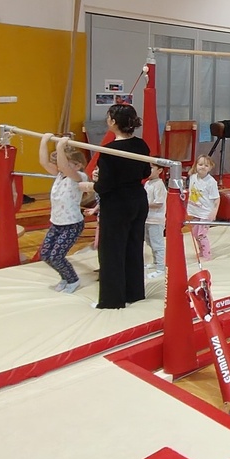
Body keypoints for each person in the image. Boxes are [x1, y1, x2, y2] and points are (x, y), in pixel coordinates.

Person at [93, 104, 152, 310]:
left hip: (117, 204)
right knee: (133, 247)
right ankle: (134, 293)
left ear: (113, 122)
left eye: (108, 117)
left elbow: (105, 186)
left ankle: (112, 300)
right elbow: (145, 172)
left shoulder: (108, 151)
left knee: (111, 251)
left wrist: (93, 183)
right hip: (137, 200)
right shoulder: (141, 144)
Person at [38, 133, 88, 294]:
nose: (60, 166)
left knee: (57, 256)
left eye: (65, 163)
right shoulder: (60, 175)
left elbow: (65, 167)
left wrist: (60, 146)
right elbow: (43, 162)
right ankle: (65, 277)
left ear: (78, 165)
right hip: (57, 223)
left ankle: (73, 280)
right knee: (45, 254)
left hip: (71, 224)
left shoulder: (79, 177)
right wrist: (44, 141)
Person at [187, 154, 220, 261]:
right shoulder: (193, 177)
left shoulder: (211, 182)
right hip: (195, 211)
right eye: (200, 164)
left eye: (206, 165)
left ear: (210, 168)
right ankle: (201, 251)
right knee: (195, 234)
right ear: (196, 165)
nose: (203, 167)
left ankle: (207, 254)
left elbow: (217, 198)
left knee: (201, 234)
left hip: (206, 213)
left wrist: (214, 211)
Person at [143, 163, 167, 279]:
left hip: (156, 219)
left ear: (159, 170)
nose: (149, 170)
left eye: (152, 168)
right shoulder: (147, 183)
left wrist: (143, 204)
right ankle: (155, 262)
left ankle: (161, 267)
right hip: (147, 218)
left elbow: (159, 203)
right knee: (149, 241)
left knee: (157, 244)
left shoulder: (159, 184)